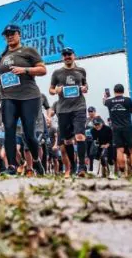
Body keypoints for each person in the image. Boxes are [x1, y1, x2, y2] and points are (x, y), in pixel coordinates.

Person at [0, 24, 47, 176]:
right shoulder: (3, 57)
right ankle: (11, 166)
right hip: (8, 97)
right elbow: (7, 75)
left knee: (29, 134)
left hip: (28, 97)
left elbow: (43, 70)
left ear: (19, 34)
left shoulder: (28, 51)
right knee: (9, 129)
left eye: (12, 33)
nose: (9, 36)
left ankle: (36, 161)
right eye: (7, 34)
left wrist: (25, 70)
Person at [49, 47, 88, 178]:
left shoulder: (81, 71)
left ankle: (82, 167)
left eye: (69, 54)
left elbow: (85, 85)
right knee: (67, 142)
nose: (67, 56)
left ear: (74, 56)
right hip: (63, 110)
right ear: (62, 57)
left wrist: (84, 88)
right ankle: (73, 166)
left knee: (80, 136)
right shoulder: (57, 73)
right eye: (64, 55)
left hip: (79, 107)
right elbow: (51, 90)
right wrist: (56, 90)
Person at [104, 84, 132, 177]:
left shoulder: (109, 101)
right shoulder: (128, 100)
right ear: (123, 91)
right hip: (128, 127)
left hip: (116, 129)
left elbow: (104, 101)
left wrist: (106, 96)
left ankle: (122, 172)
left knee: (120, 150)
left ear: (114, 91)